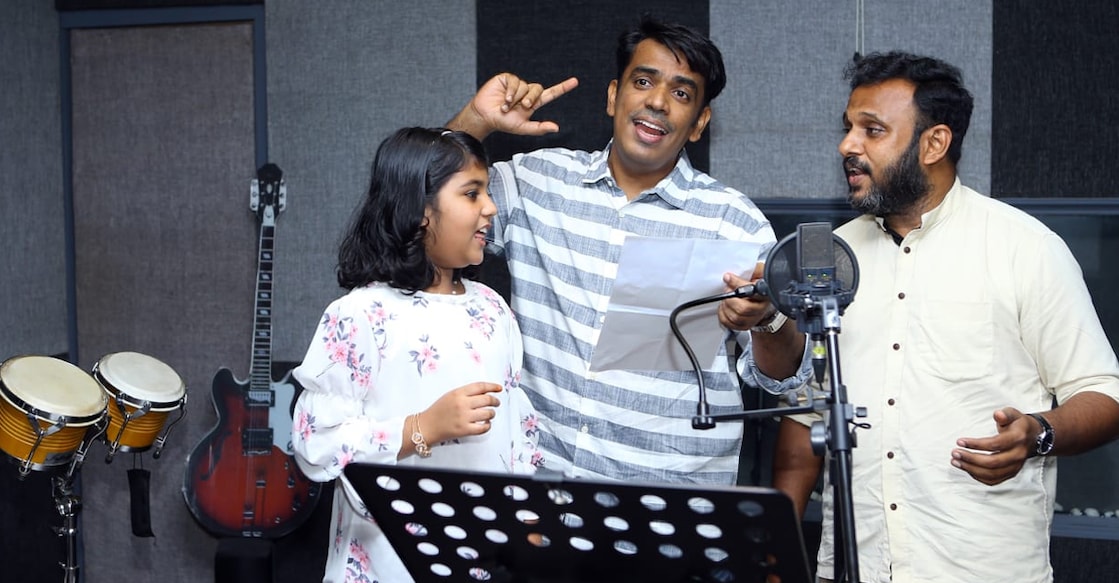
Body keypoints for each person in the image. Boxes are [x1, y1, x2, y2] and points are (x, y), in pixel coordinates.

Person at [771, 51, 1119, 583]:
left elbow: (1104, 393)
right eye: (848, 128)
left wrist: (1037, 433)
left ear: (934, 143)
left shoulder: (1026, 249)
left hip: (982, 570)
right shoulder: (831, 258)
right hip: (854, 567)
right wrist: (776, 557)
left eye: (872, 130)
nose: (847, 146)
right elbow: (804, 418)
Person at [446, 16, 804, 486]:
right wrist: (476, 121)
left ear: (699, 123)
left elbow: (784, 376)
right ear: (614, 96)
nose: (657, 102)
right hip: (539, 499)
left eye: (681, 93)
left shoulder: (733, 222)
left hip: (669, 512)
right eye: (644, 82)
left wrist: (767, 319)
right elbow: (420, 206)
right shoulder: (537, 182)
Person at [290, 127, 544, 583]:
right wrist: (421, 428)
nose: (490, 207)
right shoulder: (360, 315)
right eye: (472, 193)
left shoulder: (492, 309)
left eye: (487, 192)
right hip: (387, 564)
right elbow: (316, 444)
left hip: (480, 560)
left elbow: (518, 433)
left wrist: (527, 517)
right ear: (421, 212)